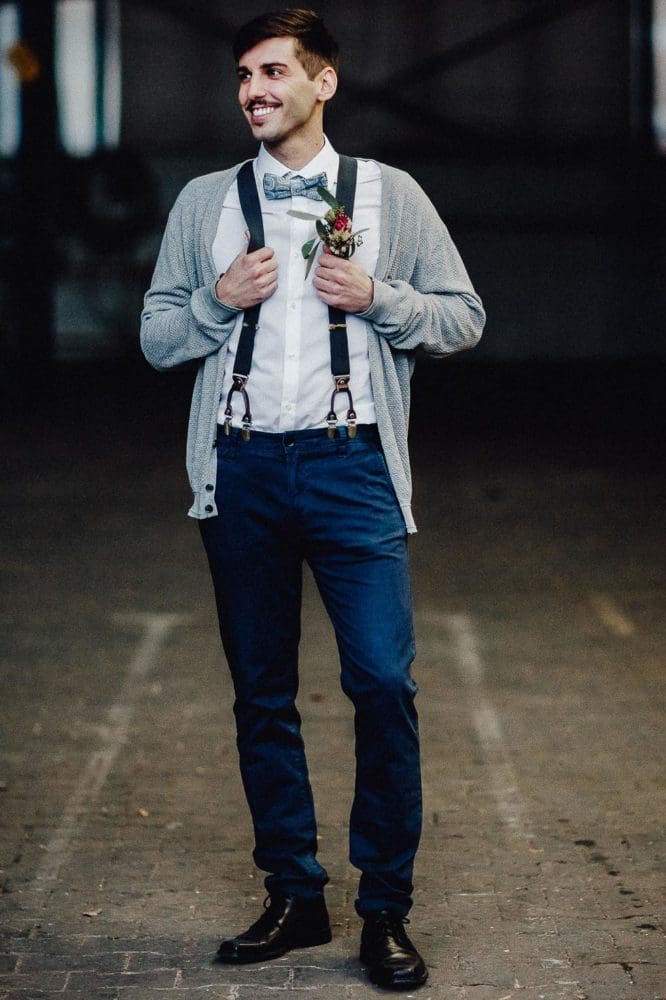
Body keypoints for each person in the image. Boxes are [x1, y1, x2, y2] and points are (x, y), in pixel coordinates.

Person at [141, 8, 484, 991]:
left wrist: (380, 299)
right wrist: (217, 301)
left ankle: (386, 912)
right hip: (240, 466)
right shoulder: (206, 201)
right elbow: (158, 336)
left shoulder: (389, 194)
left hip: (353, 465)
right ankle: (294, 893)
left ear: (323, 81)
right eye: (244, 75)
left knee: (382, 682)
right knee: (262, 692)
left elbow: (463, 316)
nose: (253, 90)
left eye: (273, 71)